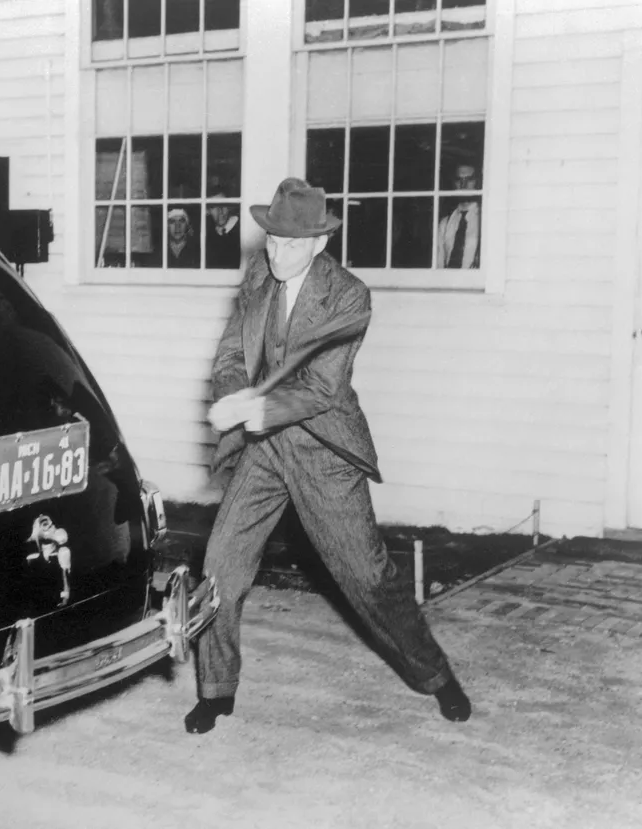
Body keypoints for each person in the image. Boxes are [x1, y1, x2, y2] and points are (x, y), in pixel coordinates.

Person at [185, 177, 471, 734]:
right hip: (263, 453)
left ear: (319, 244)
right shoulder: (257, 277)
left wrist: (249, 409)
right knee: (220, 564)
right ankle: (216, 691)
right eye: (271, 240)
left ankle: (437, 676)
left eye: (292, 244)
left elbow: (321, 389)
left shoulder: (348, 296)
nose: (277, 252)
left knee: (369, 578)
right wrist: (227, 395)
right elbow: (229, 356)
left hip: (323, 451)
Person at [436, 164, 481, 269]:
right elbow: (438, 266)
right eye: (459, 180)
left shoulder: (485, 221)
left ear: (477, 183)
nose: (463, 185)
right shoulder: (445, 224)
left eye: (469, 180)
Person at [205, 193, 241, 269]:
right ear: (207, 211)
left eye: (223, 204)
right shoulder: (207, 235)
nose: (220, 211)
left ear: (229, 206)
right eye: (214, 206)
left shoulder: (242, 230)